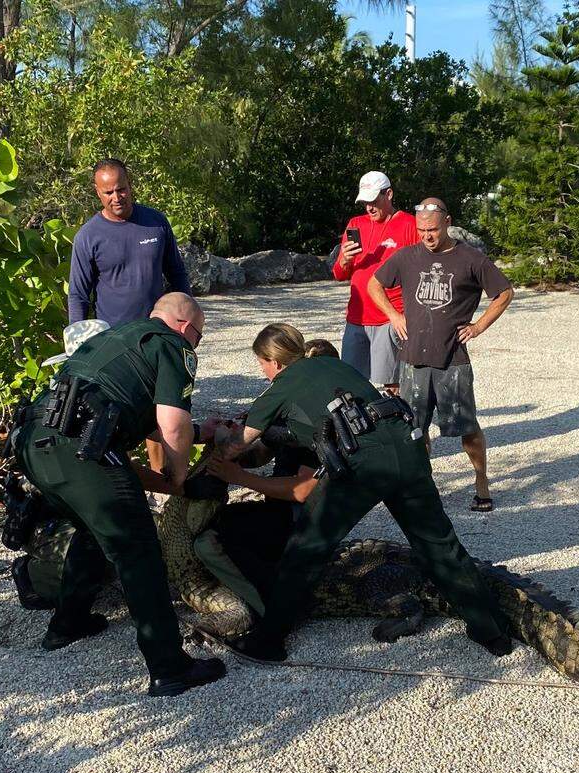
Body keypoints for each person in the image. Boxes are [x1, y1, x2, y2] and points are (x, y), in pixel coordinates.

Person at [213, 323, 513, 662]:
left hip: (365, 462)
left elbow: (236, 447)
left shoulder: (281, 385)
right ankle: (493, 631)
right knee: (439, 543)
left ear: (274, 361)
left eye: (261, 363)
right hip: (407, 449)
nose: (262, 371)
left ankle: (268, 642)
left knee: (306, 549)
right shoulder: (336, 365)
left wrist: (211, 435)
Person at [11, 293, 225, 696]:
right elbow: (172, 425)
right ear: (185, 326)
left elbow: (130, 420)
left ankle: (67, 624)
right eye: (198, 336)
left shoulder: (119, 338)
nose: (196, 344)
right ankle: (169, 666)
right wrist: (178, 478)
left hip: (34, 445)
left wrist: (202, 432)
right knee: (138, 549)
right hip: (79, 449)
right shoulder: (171, 344)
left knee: (95, 530)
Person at [366, 198, 513, 513]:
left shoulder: (471, 259)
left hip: (452, 360)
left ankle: (481, 482)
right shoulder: (406, 256)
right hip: (412, 358)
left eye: (432, 229)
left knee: (467, 426)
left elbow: (504, 293)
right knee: (414, 428)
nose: (426, 236)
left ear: (447, 222)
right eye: (421, 230)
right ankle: (423, 486)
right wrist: (393, 315)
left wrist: (478, 326)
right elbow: (373, 284)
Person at [69, 158, 192, 476]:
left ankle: (165, 484)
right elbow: (79, 296)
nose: (116, 197)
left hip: (158, 335)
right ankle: (119, 476)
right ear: (98, 193)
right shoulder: (88, 236)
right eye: (108, 191)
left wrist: (184, 322)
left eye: (121, 189)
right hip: (116, 341)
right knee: (116, 414)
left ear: (130, 184)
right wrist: (78, 346)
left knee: (161, 408)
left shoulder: (155, 223)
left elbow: (177, 274)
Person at [196, 340, 336, 612]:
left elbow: (305, 490)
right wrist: (231, 444)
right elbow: (262, 454)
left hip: (303, 523)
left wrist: (238, 477)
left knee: (209, 542)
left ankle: (270, 606)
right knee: (215, 523)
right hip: (281, 509)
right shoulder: (294, 407)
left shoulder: (320, 422)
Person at [332, 171, 418, 391]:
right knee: (350, 382)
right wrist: (344, 259)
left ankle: (401, 423)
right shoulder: (355, 223)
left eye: (373, 200)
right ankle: (360, 424)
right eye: (365, 201)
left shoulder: (410, 225)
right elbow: (339, 274)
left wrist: (404, 316)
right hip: (357, 318)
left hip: (390, 317)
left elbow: (420, 272)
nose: (369, 207)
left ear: (388, 194)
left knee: (392, 382)